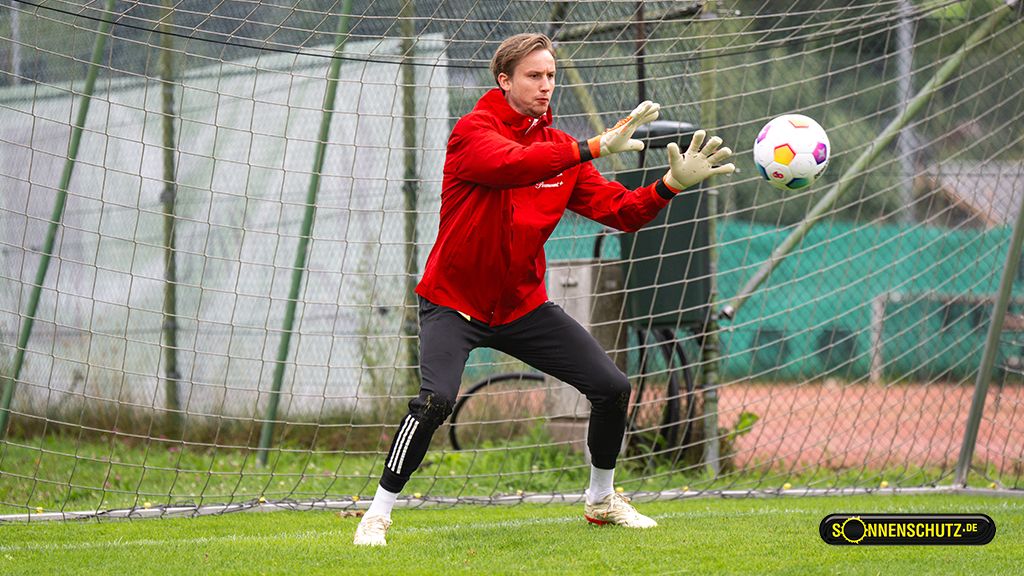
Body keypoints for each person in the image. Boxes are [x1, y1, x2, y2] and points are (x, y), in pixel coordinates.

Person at [354, 32, 734, 546]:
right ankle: (377, 513)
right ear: (504, 79)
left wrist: (669, 185)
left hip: (521, 308)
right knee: (436, 400)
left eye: (551, 76)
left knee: (612, 388)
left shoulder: (562, 151)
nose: (545, 85)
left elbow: (621, 212)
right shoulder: (472, 132)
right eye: (534, 75)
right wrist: (594, 145)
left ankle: (602, 500)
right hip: (454, 303)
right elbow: (511, 165)